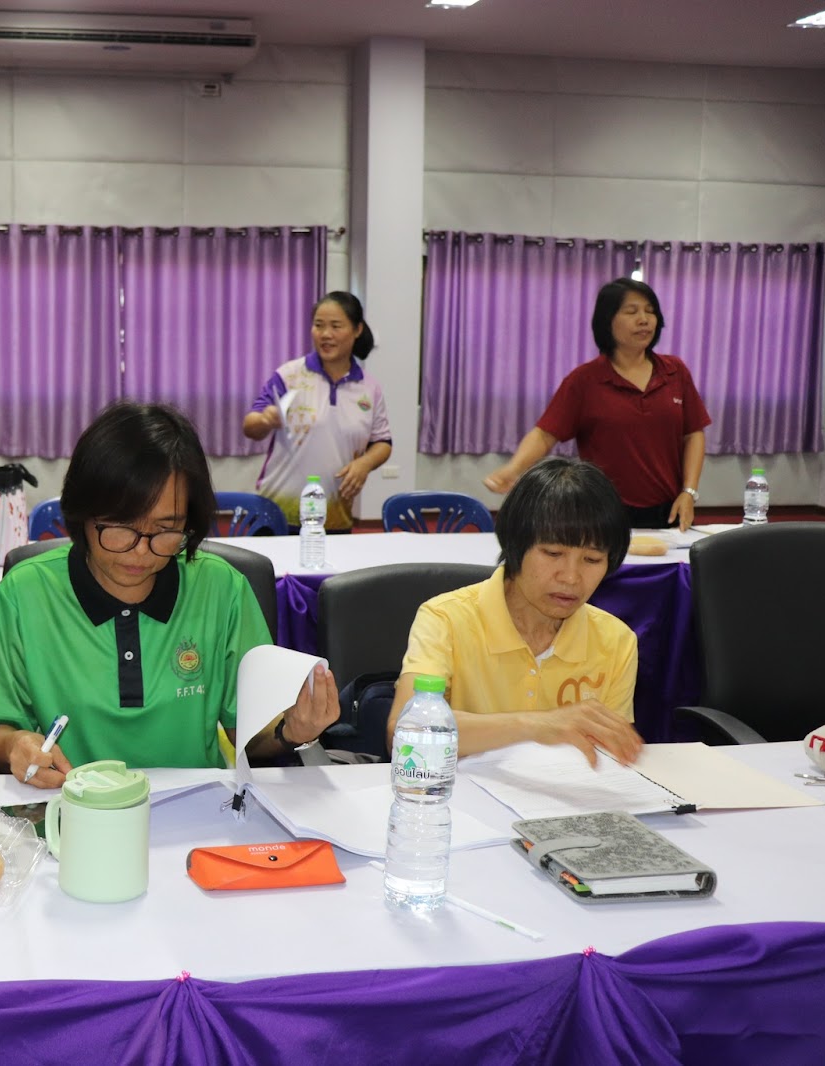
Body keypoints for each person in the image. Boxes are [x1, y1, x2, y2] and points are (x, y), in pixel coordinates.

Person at [0, 402, 339, 788]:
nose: (141, 552)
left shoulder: (222, 589)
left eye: (166, 529)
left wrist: (293, 730)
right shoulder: (26, 592)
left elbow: (247, 734)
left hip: (194, 806)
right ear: (82, 514)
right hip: (71, 804)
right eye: (121, 527)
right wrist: (16, 744)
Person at [388, 457, 642, 767]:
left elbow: (612, 755)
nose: (571, 577)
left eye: (592, 560)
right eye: (553, 553)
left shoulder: (616, 640)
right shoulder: (446, 619)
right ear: (515, 545)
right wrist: (535, 725)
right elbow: (405, 733)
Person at [483, 278, 711, 531]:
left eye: (650, 311)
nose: (644, 319)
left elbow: (693, 434)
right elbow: (545, 434)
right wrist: (514, 469)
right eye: (631, 311)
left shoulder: (675, 371)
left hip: (670, 512)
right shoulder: (584, 380)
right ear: (607, 321)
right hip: (603, 514)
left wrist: (689, 491)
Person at [243, 291, 392, 531]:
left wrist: (365, 463)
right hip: (277, 514)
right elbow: (250, 426)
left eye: (336, 326)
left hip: (335, 517)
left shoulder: (369, 388)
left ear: (357, 330)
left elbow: (382, 441)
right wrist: (264, 420)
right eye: (319, 325)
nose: (325, 334)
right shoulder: (290, 375)